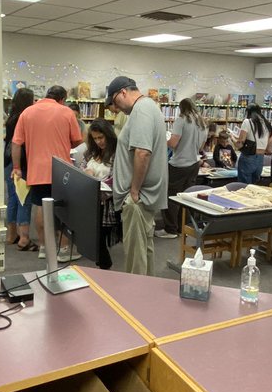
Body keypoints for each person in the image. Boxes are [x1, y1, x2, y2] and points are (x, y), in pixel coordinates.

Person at [11, 85, 83, 261]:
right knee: (63, 209)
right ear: (62, 99)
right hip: (61, 170)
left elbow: (16, 143)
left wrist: (17, 167)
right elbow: (77, 141)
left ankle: (44, 247)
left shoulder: (27, 112)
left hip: (37, 169)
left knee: (40, 206)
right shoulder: (66, 112)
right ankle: (64, 248)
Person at [106, 75, 168, 275]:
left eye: (115, 101)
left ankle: (136, 292)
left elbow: (142, 152)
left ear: (123, 92)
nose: (116, 108)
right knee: (143, 251)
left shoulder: (141, 110)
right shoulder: (148, 108)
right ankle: (146, 290)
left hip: (137, 199)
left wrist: (133, 191)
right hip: (142, 197)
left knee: (136, 257)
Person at [158, 98, 208, 238]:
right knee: (186, 197)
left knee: (170, 197)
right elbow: (201, 147)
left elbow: (173, 143)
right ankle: (183, 227)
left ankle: (170, 229)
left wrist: (163, 140)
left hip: (179, 164)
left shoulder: (181, 120)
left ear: (181, 108)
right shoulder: (202, 122)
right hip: (194, 164)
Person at [81, 119, 122, 269]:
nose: (98, 141)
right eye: (95, 138)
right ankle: (103, 263)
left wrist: (97, 181)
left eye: (101, 137)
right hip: (91, 199)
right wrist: (86, 172)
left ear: (108, 134)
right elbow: (82, 166)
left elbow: (117, 177)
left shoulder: (117, 153)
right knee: (94, 236)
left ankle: (105, 265)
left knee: (99, 236)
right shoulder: (91, 152)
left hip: (106, 201)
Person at [4, 87, 35, 249]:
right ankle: (24, 238)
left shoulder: (11, 117)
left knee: (12, 198)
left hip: (8, 161)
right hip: (21, 163)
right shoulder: (25, 118)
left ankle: (11, 234)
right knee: (24, 199)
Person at [235, 105, 271, 185]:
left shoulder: (247, 122)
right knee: (254, 185)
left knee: (244, 185)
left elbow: (240, 142)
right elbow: (268, 145)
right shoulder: (266, 124)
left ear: (248, 112)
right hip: (261, 157)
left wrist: (232, 138)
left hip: (249, 156)